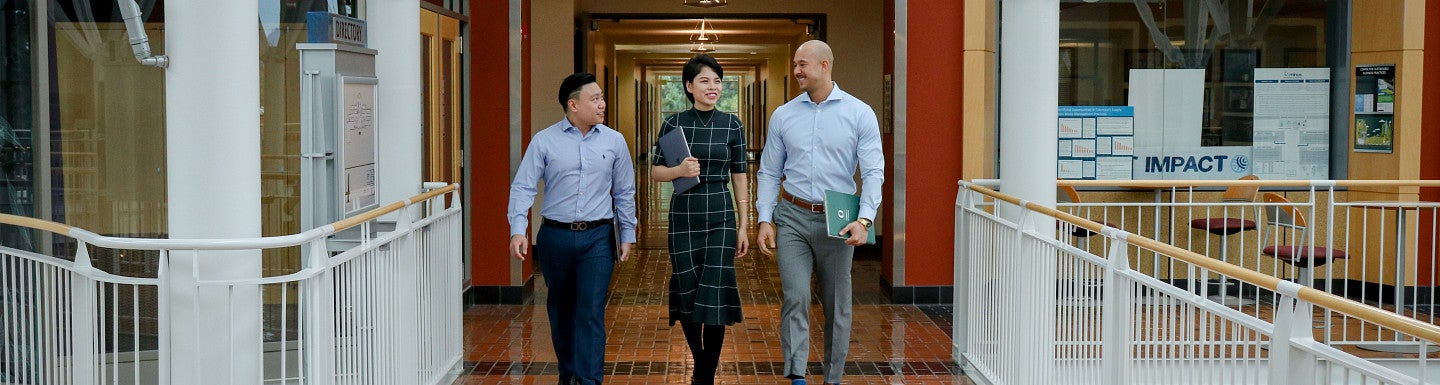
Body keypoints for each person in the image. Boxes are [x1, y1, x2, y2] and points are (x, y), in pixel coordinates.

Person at [755, 40, 884, 385]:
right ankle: (797, 375)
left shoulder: (859, 113)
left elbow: (873, 172)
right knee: (795, 296)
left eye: (803, 64)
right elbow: (769, 171)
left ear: (825, 66)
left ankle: (833, 378)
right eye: (795, 64)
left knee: (837, 305)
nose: (796, 70)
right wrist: (765, 218)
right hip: (793, 215)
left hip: (838, 219)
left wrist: (865, 218)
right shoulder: (784, 115)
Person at [507, 72, 637, 385]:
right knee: (561, 310)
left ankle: (590, 380)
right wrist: (518, 228)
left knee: (591, 311)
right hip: (555, 237)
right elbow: (523, 187)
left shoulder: (614, 141)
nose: (602, 104)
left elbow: (624, 191)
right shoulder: (544, 141)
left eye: (602, 97)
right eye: (595, 99)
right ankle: (568, 374)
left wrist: (628, 233)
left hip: (597, 237)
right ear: (573, 104)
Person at [649, 54, 750, 385]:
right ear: (689, 86)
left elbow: (739, 174)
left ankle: (704, 374)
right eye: (705, 81)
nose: (713, 87)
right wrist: (679, 170)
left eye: (718, 81)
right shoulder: (674, 124)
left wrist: (744, 222)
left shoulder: (732, 124)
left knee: (714, 291)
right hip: (684, 216)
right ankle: (700, 362)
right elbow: (655, 171)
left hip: (721, 213)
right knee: (689, 290)